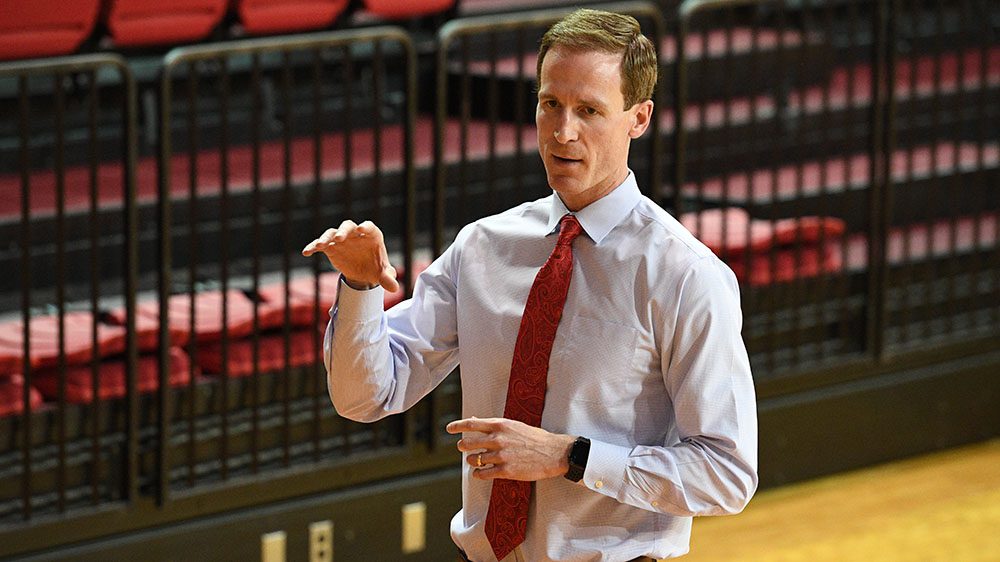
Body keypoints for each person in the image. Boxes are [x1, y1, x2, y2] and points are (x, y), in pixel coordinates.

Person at [302, 9, 757, 562]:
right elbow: (366, 396)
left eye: (590, 110)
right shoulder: (483, 248)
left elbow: (727, 474)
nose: (564, 131)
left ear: (639, 117)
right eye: (551, 105)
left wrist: (571, 456)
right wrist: (359, 287)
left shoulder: (685, 276)